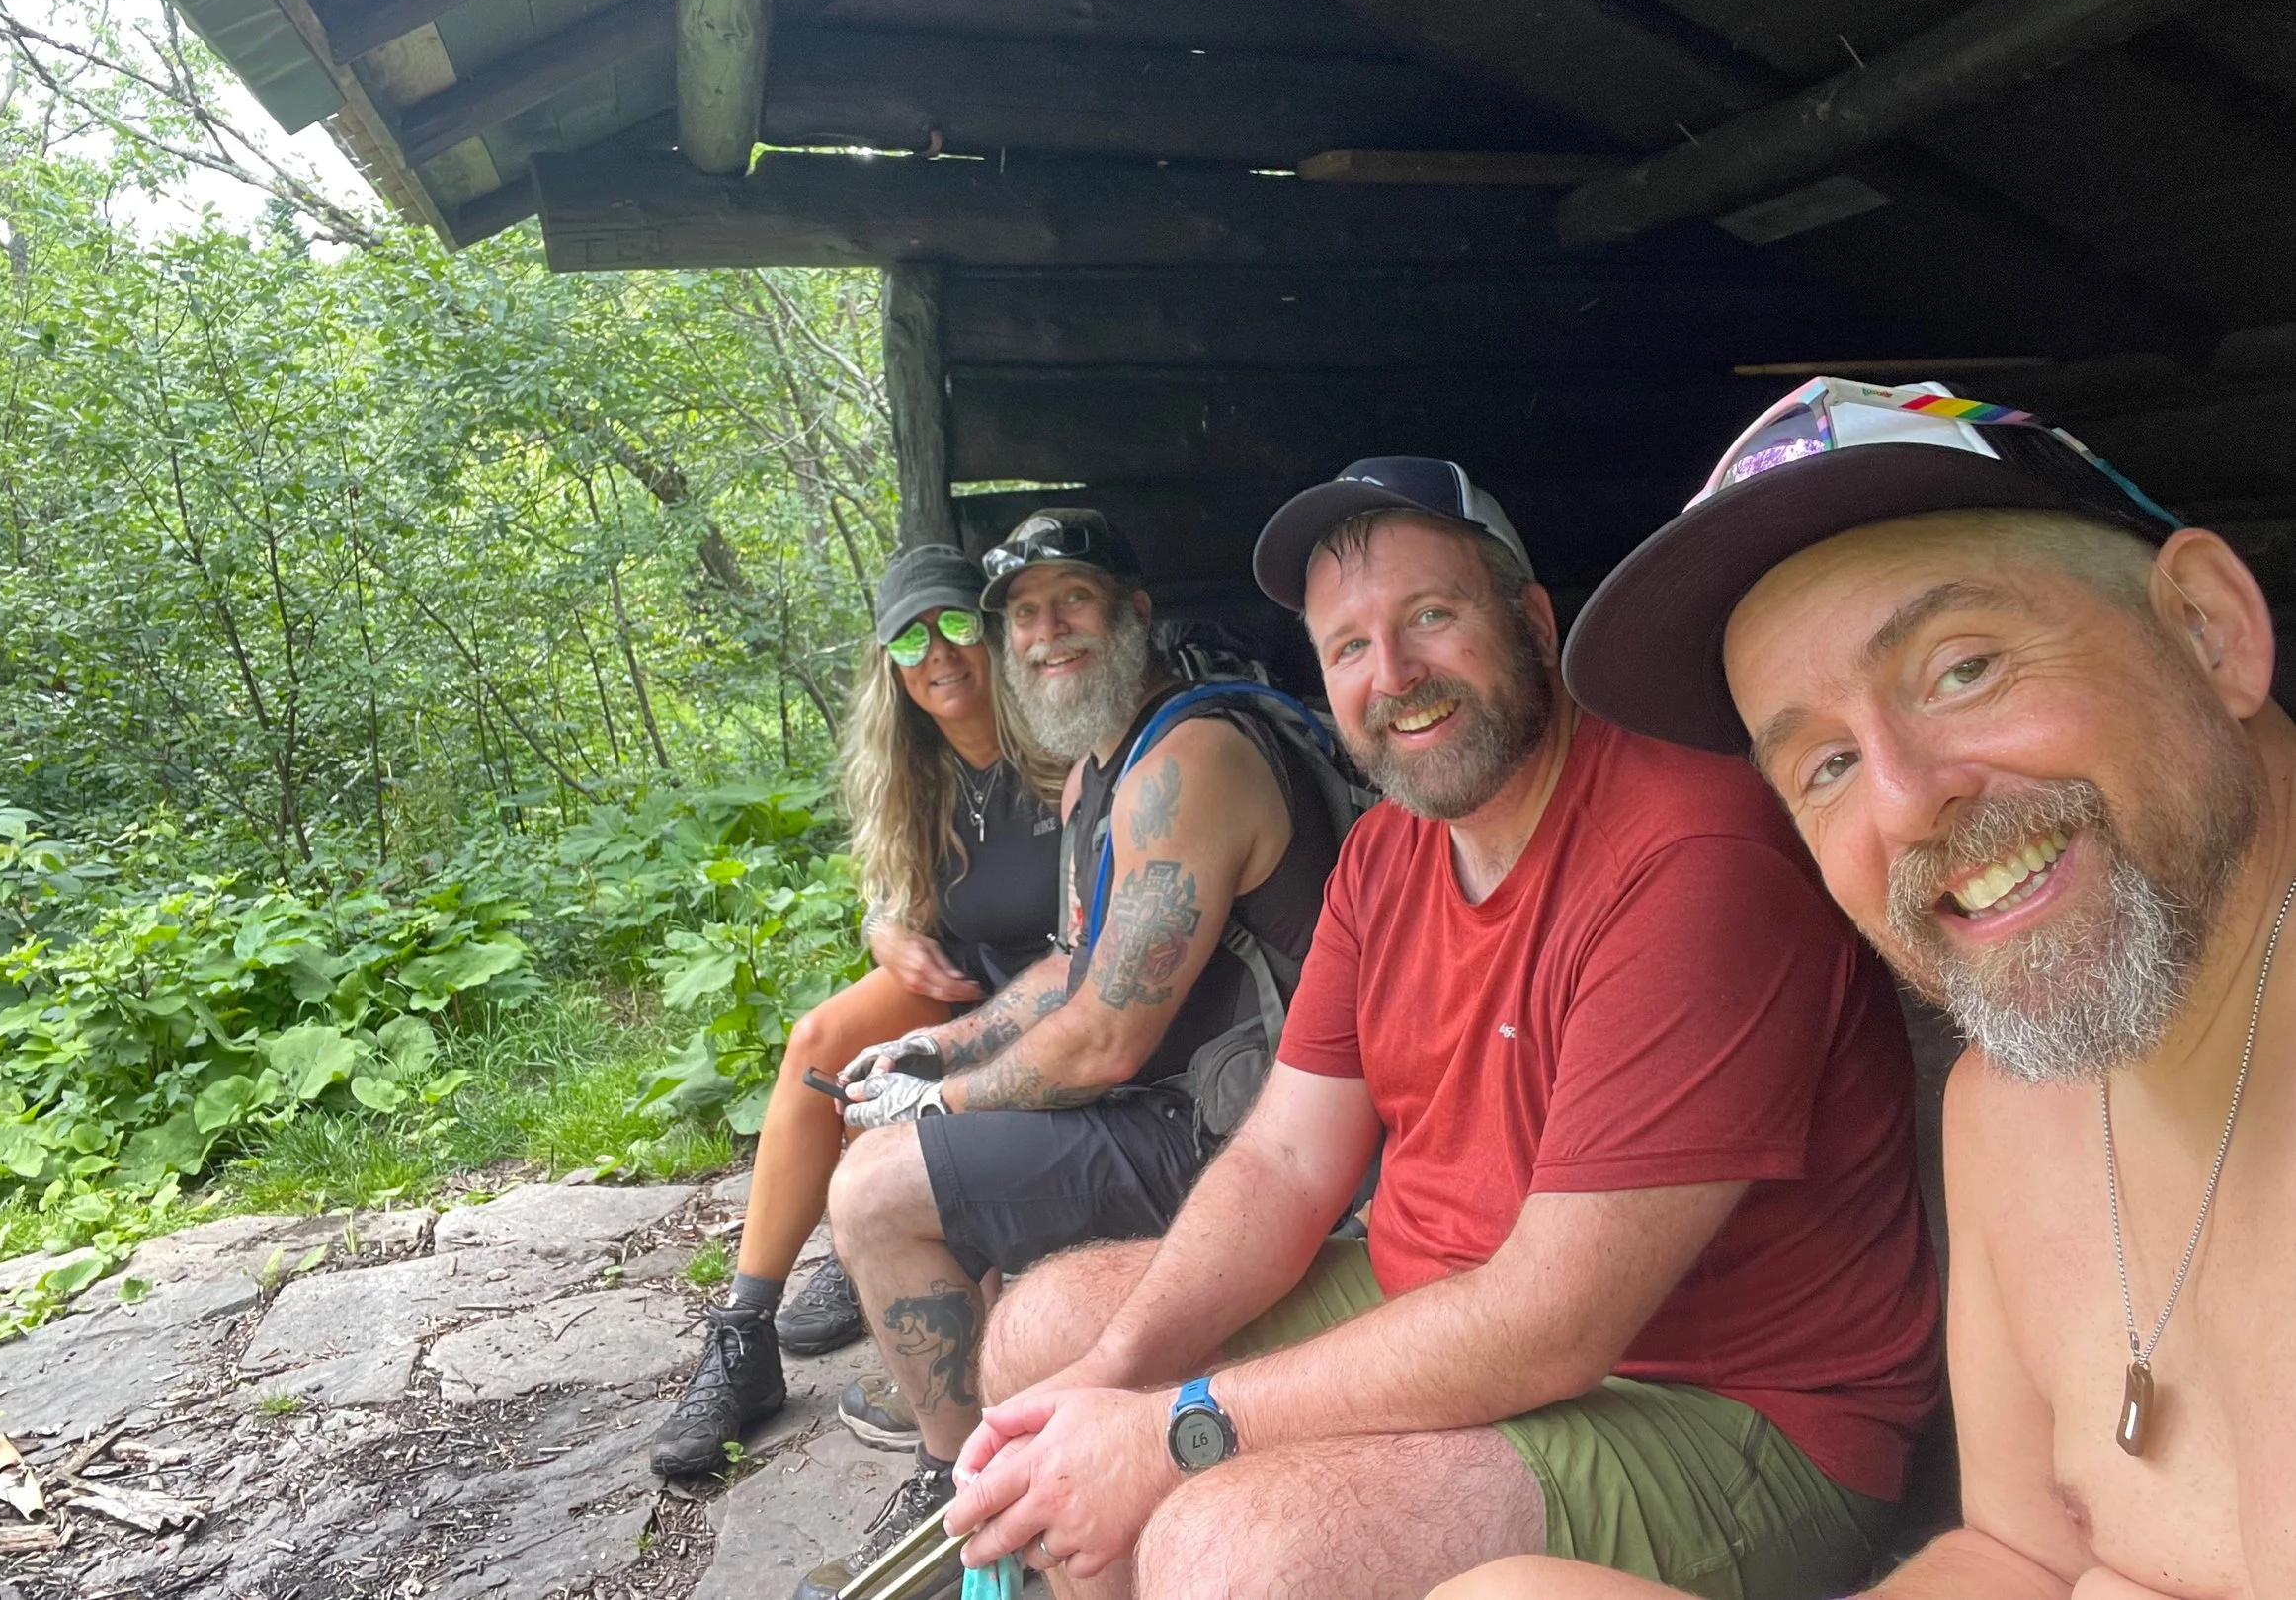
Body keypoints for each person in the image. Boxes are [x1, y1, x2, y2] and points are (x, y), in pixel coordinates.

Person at [943, 459, 1943, 1600]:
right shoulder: (1386, 853)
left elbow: (1553, 1319)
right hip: (1439, 1291)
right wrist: (1116, 1381)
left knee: (1229, 1550)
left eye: (1430, 616)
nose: (1396, 675)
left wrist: (1175, 1427)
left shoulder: (1690, 855)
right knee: (1046, 1341)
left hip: (1729, 1411)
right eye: (1349, 647)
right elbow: (1282, 1160)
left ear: (1529, 619)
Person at [1499, 377, 2296, 1600]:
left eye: (1962, 668)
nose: (1903, 800)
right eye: (1822, 764)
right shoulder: (2007, 1107)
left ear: (2208, 629)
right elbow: (2022, 1553)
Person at [796, 508, 1345, 1599]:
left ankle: (957, 1497)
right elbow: (1070, 965)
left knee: (872, 1195)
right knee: (897, 1160)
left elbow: (1103, 1038)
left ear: (1134, 613)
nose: (1047, 632)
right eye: (1024, 615)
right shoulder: (1104, 763)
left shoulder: (1188, 760)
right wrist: (933, 1045)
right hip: (1186, 1105)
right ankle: (986, 1489)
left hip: (1258, 1132)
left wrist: (941, 1106)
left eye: (1074, 601)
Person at [648, 544, 1063, 1479]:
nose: (939, 653)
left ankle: (877, 1249)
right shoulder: (914, 765)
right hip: (965, 977)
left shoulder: (1058, 744)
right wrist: (885, 927)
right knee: (817, 1045)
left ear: (993, 633)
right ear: (889, 665)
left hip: (1054, 996)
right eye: (910, 638)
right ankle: (743, 1338)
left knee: (919, 1100)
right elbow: (893, 890)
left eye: (957, 623)